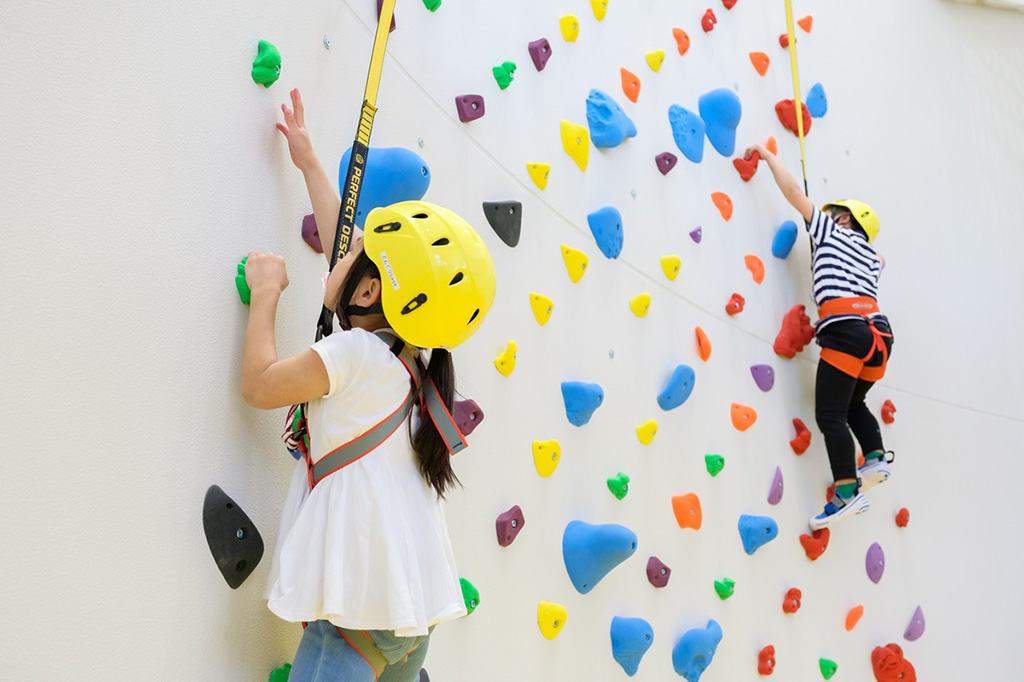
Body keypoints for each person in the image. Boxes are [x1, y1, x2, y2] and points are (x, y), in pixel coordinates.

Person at [239, 88, 496, 681]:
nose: (342, 246)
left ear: (368, 292)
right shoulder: (408, 361)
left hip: (355, 624)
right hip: (409, 625)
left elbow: (258, 385)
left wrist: (268, 295)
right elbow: (349, 253)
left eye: (355, 251)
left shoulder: (353, 353)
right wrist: (307, 163)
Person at [744, 142, 895, 531]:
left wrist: (767, 153)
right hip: (880, 335)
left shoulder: (831, 232)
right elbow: (878, 258)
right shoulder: (871, 258)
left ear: (844, 222)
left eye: (831, 214)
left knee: (829, 414)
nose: (823, 217)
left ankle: (847, 493)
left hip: (846, 330)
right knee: (852, 401)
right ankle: (875, 456)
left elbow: (795, 193)